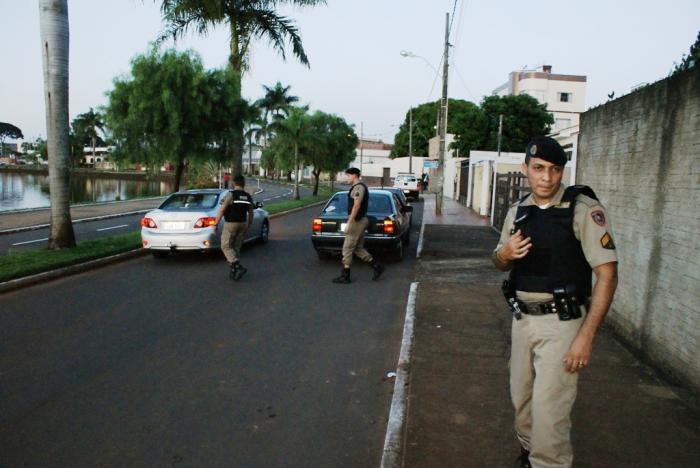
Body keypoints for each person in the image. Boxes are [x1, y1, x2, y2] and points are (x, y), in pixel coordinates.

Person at [492, 136, 618, 468]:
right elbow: (500, 259)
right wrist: (503, 254)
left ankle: (547, 462)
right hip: (522, 319)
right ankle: (529, 455)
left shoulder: (583, 210)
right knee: (522, 402)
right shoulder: (517, 212)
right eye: (538, 169)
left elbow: (607, 275)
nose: (546, 178)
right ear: (525, 170)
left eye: (554, 170)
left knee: (550, 412)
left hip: (563, 323)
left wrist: (586, 338)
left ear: (563, 171)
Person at [332, 167, 385, 284]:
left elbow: (356, 206)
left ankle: (345, 276)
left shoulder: (359, 188)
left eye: (348, 175)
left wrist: (349, 223)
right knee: (357, 248)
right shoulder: (357, 187)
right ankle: (377, 266)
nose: (347, 178)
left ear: (354, 175)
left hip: (357, 221)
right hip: (360, 220)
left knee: (347, 248)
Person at [215, 175, 254, 281]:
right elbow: (251, 213)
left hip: (231, 223)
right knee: (236, 247)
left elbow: (222, 210)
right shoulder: (248, 196)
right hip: (243, 223)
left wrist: (215, 224)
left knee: (226, 246)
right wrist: (249, 224)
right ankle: (233, 270)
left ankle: (237, 266)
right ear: (243, 184)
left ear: (233, 183)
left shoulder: (231, 194)